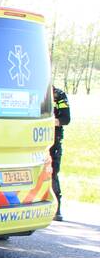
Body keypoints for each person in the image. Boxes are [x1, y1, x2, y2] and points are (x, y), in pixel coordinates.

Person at [51, 85, 71, 221]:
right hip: (29, 138)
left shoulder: (58, 95)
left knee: (52, 172)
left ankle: (56, 208)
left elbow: (65, 119)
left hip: (53, 139)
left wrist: (47, 122)